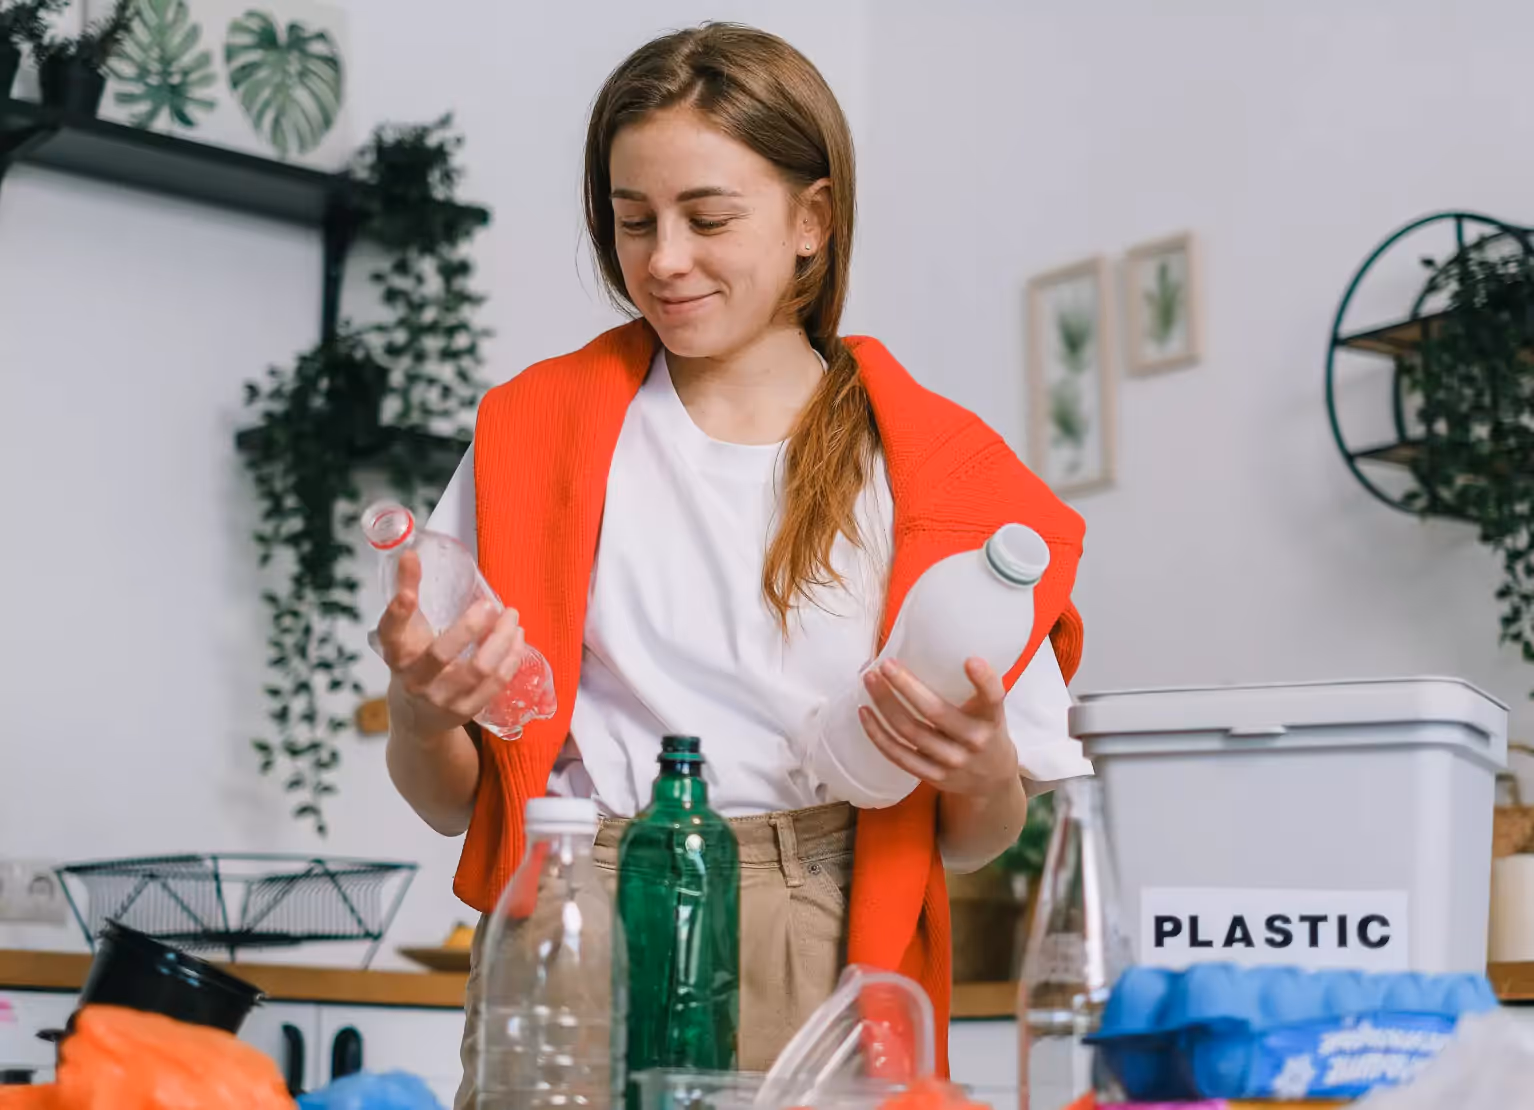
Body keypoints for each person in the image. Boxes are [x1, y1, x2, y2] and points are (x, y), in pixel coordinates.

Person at [371, 22, 1091, 1108]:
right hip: (580, 917)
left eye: (707, 219)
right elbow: (447, 802)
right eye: (633, 221)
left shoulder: (939, 477)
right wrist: (423, 715)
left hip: (825, 939)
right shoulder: (530, 438)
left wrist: (977, 764)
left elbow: (975, 839)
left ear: (812, 221)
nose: (663, 259)